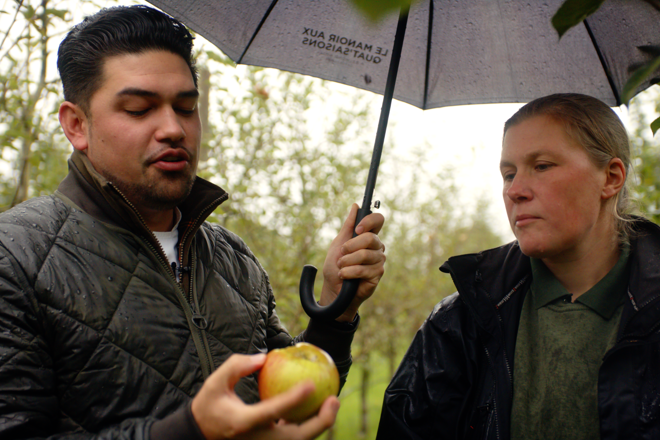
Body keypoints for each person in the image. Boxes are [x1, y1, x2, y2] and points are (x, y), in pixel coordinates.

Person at [0, 5, 386, 440]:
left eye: (185, 108)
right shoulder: (15, 256)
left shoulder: (232, 258)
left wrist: (336, 309)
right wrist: (191, 432)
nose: (173, 129)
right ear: (76, 125)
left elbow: (291, 399)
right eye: (139, 109)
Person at [376, 93, 660, 440]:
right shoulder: (459, 325)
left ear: (611, 178)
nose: (515, 191)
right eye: (508, 174)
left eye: (542, 166)